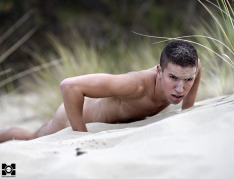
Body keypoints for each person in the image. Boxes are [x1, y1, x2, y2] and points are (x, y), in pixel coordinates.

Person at [0, 40, 201, 143]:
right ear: (159, 71)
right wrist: (81, 139)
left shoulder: (192, 68)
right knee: (32, 138)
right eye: (172, 78)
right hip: (76, 115)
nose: (180, 89)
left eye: (188, 79)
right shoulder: (134, 85)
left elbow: (197, 67)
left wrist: (187, 111)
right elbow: (69, 86)